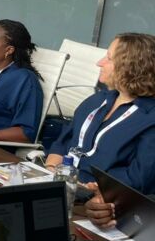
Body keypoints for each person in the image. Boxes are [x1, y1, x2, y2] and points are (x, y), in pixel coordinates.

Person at [46, 34, 155, 228]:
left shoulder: (150, 118)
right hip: (60, 188)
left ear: (132, 67)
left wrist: (97, 190)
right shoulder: (97, 100)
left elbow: (140, 178)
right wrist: (50, 170)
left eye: (109, 58)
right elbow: (64, 141)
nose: (99, 63)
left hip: (102, 207)